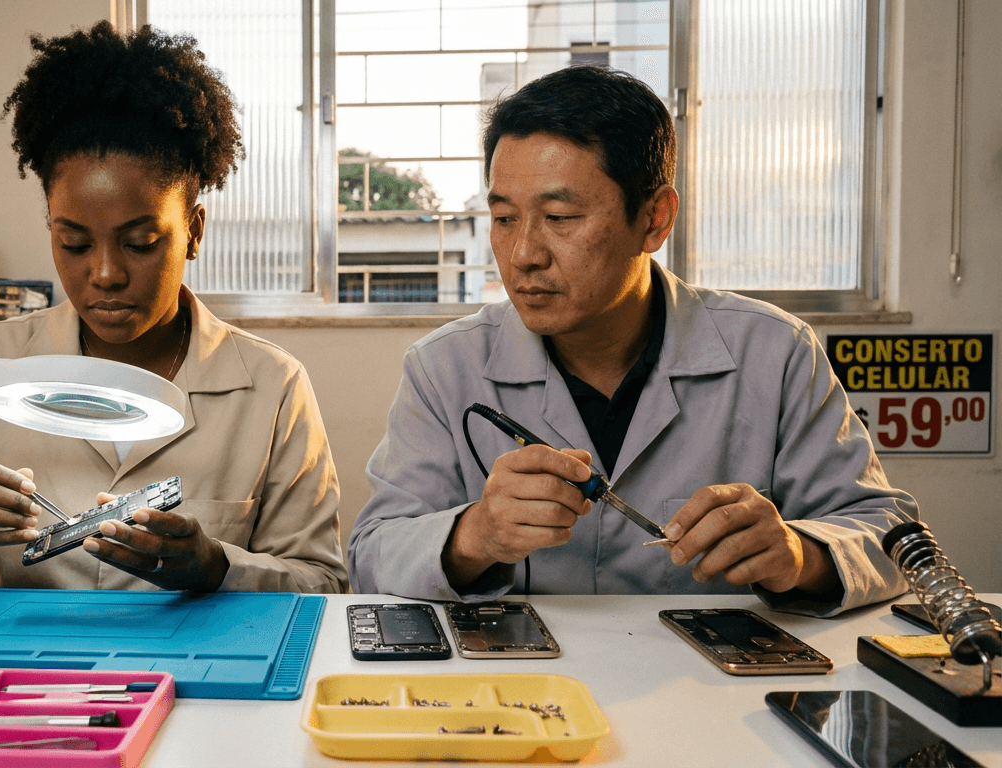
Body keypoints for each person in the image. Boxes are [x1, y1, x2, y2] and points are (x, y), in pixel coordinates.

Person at [347, 66, 913, 616]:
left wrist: (800, 555)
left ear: (655, 219)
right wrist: (474, 536)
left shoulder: (776, 353)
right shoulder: (445, 367)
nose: (523, 255)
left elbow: (891, 536)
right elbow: (370, 557)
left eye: (559, 217)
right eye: (503, 219)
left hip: (708, 693)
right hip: (518, 691)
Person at [0, 22, 348, 597]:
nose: (104, 273)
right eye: (74, 243)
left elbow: (323, 581)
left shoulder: (272, 388)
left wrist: (217, 568)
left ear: (194, 232)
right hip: (23, 680)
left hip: (202, 680)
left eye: (140, 243)